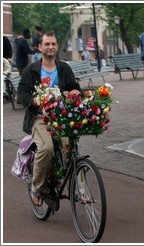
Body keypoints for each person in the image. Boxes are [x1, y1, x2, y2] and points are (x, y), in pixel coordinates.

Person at [17, 31, 81, 206]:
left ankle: (76, 186)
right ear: (40, 47)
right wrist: (32, 101)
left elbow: (75, 87)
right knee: (46, 148)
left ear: (57, 46)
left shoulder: (64, 68)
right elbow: (21, 91)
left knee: (72, 149)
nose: (50, 47)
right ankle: (36, 188)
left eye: (53, 44)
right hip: (39, 117)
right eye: (47, 44)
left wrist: (76, 93)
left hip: (62, 117)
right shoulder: (32, 70)